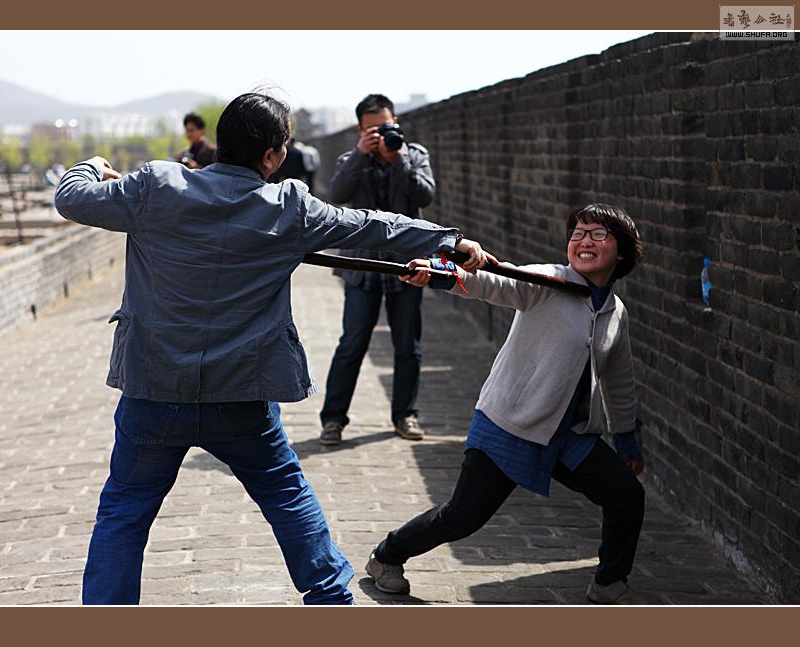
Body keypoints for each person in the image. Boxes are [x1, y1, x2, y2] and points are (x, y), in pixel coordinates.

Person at [53, 92, 488, 606]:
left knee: (124, 511)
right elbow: (371, 224)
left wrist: (93, 165)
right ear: (270, 156)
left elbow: (71, 197)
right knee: (286, 496)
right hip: (241, 392)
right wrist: (446, 241)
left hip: (154, 389)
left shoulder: (156, 185)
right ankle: (331, 600)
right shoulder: (288, 208)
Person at [365, 204, 647, 605]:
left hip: (568, 435)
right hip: (509, 424)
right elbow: (494, 281)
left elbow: (619, 380)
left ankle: (609, 582)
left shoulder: (615, 313)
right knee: (462, 517)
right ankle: (387, 555)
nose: (584, 241)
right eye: (577, 233)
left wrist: (627, 439)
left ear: (621, 252)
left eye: (598, 234)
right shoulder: (548, 281)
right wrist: (442, 273)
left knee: (626, 496)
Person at [319, 93, 436, 446]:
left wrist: (397, 161)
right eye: (372, 130)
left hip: (406, 262)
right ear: (360, 130)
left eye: (386, 127)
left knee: (407, 345)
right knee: (352, 343)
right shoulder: (350, 159)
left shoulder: (414, 155)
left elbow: (425, 196)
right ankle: (333, 419)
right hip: (362, 264)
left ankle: (405, 415)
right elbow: (337, 193)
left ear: (395, 122)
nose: (381, 134)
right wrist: (360, 154)